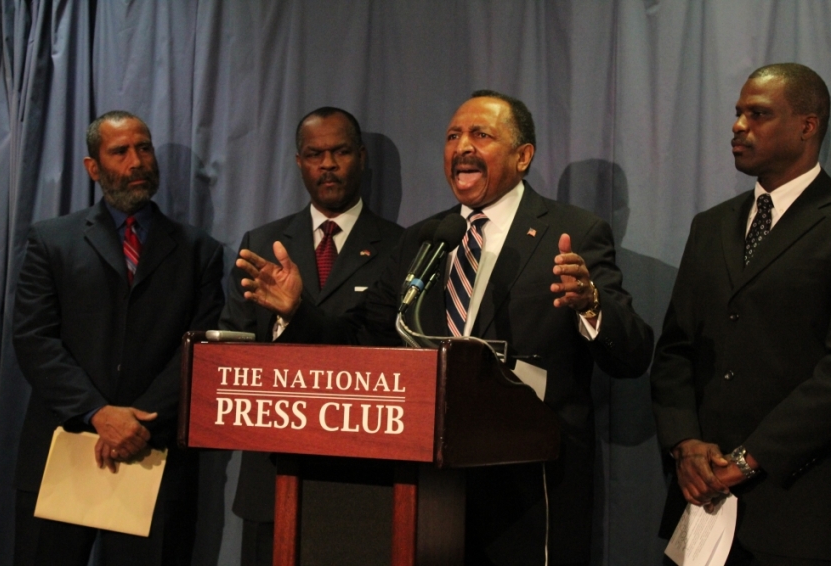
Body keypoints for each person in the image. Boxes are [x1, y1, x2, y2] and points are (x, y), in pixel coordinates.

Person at [234, 91, 653, 566]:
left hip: (530, 490)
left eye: (481, 134)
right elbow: (362, 336)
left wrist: (591, 304)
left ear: (523, 156)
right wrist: (298, 310)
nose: (462, 147)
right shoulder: (425, 237)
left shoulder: (572, 231)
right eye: (453, 136)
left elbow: (632, 353)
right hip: (432, 490)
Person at [11, 110, 225, 566]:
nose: (137, 161)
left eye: (144, 148)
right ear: (94, 167)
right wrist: (97, 412)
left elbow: (201, 350)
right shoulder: (52, 241)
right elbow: (34, 338)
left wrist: (136, 421)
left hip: (154, 453)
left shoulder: (199, 251)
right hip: (65, 448)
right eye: (120, 151)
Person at [651, 63, 831, 565]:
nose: (738, 126)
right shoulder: (710, 226)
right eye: (736, 114)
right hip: (701, 502)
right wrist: (686, 443)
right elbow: (675, 351)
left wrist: (747, 461)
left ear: (807, 125)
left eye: (758, 114)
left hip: (799, 508)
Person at [219, 106, 403, 566]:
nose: (327, 164)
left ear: (361, 157)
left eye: (340, 151)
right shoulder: (262, 243)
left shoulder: (401, 247)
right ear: (299, 162)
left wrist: (297, 313)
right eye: (314, 154)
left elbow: (384, 353)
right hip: (271, 474)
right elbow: (235, 347)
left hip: (358, 479)